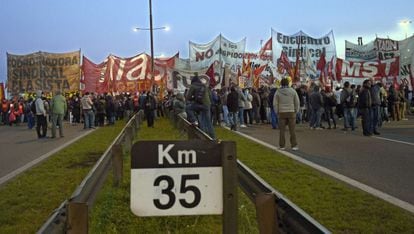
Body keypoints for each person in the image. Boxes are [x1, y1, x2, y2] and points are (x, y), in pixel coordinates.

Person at [186, 73, 216, 139]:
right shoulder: (204, 86)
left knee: (188, 108)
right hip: (207, 105)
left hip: (199, 105)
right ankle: (213, 137)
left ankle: (194, 121)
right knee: (208, 121)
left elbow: (188, 97)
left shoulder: (193, 86)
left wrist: (193, 98)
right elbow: (210, 96)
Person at [273, 78, 300, 151]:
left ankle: (282, 146)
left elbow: (275, 103)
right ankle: (294, 145)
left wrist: (277, 112)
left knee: (282, 130)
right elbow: (297, 102)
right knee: (292, 130)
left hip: (282, 112)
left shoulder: (278, 92)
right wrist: (296, 111)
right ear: (288, 83)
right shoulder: (293, 91)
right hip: (291, 112)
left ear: (281, 83)